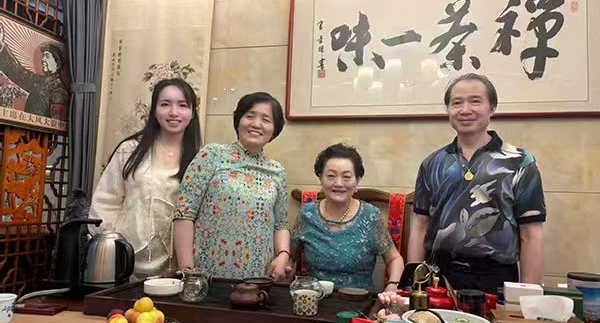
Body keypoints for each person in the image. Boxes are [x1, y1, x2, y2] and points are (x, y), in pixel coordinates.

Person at [407, 73, 546, 293]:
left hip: (496, 280)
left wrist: (528, 297)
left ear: (492, 107)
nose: (465, 110)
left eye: (475, 101)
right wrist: (412, 284)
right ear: (448, 110)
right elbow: (420, 226)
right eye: (457, 103)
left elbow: (531, 234)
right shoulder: (432, 163)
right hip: (439, 279)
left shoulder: (520, 162)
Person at [89, 78, 201, 277]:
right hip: (126, 261)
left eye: (182, 105)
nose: (173, 112)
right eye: (165, 104)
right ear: (154, 111)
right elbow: (106, 202)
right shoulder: (130, 150)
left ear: (192, 113)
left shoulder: (200, 159)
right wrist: (113, 247)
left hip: (176, 266)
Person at [174, 92, 291, 281]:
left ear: (274, 130)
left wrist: (283, 255)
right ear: (238, 121)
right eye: (250, 116)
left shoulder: (277, 171)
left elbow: (281, 224)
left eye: (266, 119)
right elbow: (184, 211)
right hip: (206, 277)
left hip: (257, 281)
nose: (256, 124)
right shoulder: (212, 154)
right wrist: (188, 273)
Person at [291, 143, 404, 292]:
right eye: (331, 176)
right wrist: (284, 267)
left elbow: (395, 259)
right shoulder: (307, 214)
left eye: (346, 177)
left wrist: (392, 285)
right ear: (320, 178)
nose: (338, 183)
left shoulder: (371, 216)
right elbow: (290, 257)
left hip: (358, 301)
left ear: (357, 180)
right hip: (315, 299)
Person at [0, 22, 68, 120]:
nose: (43, 59)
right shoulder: (39, 81)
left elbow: (55, 122)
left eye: (47, 56)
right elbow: (17, 71)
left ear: (57, 63)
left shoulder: (59, 91)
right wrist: (1, 44)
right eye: (43, 56)